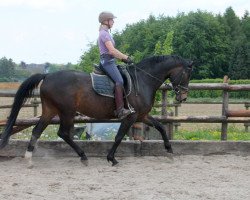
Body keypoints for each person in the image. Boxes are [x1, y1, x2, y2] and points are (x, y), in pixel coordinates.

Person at [98, 11, 134, 119]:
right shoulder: (104, 34)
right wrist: (125, 58)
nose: (113, 22)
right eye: (112, 19)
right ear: (106, 21)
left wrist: (124, 57)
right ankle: (120, 110)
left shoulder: (106, 33)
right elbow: (112, 51)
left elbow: (113, 51)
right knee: (119, 81)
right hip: (107, 62)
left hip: (111, 61)